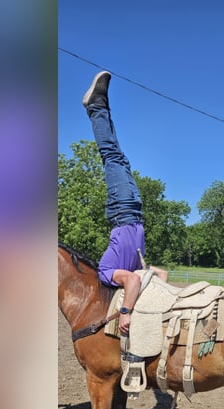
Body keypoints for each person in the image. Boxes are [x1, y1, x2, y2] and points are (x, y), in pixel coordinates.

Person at [83, 71, 167, 335]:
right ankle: (100, 107)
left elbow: (130, 280)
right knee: (121, 158)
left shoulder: (106, 271)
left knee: (112, 157)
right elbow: (160, 275)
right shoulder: (131, 268)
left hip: (122, 213)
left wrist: (125, 312)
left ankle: (95, 106)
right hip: (135, 213)